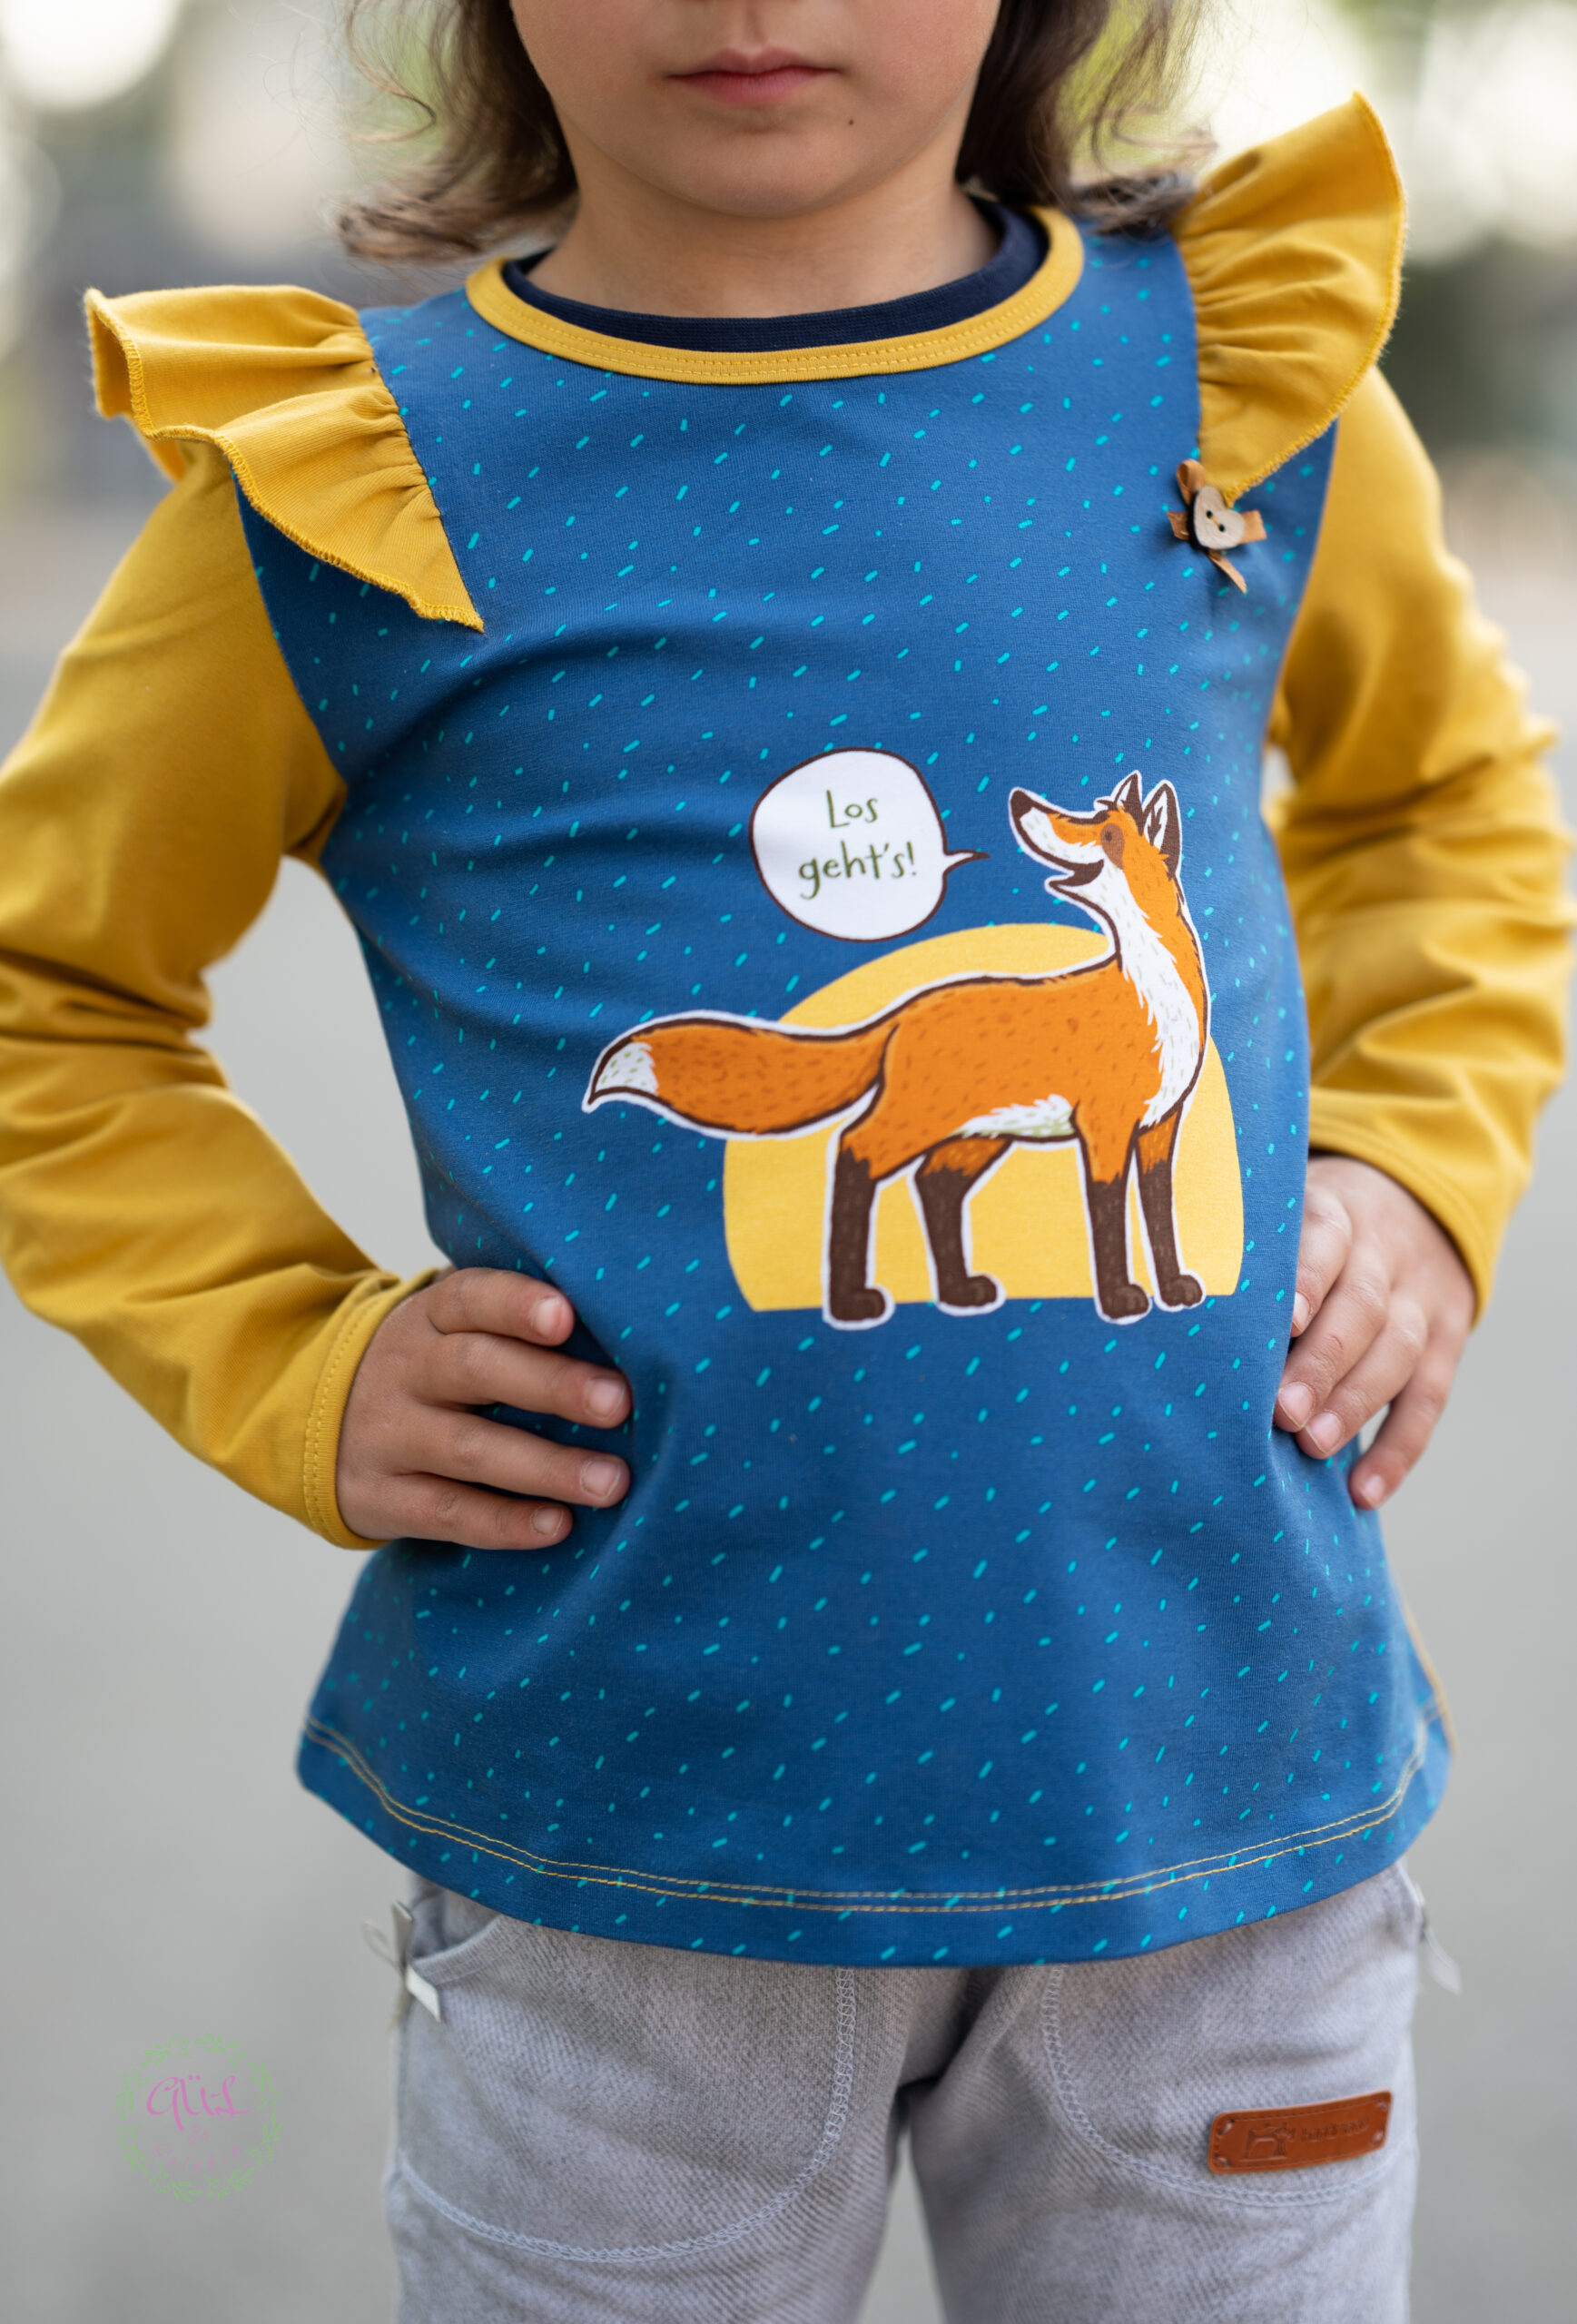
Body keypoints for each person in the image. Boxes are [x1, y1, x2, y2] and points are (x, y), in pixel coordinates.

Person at [0, 0, 1569, 2315]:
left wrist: (1417, 1166)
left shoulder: (1233, 376)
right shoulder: (351, 478)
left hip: (1222, 1814)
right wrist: (286, 1352)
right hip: (627, 1856)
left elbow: (1442, 806)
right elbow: (49, 982)